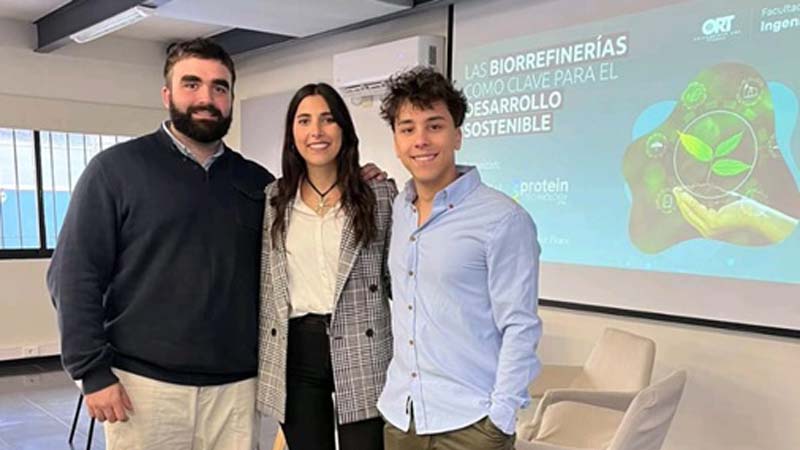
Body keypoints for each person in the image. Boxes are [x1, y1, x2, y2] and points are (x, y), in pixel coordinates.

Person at [47, 38, 384, 450]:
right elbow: (73, 275)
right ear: (167, 94)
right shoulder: (115, 171)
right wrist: (92, 372)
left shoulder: (259, 186)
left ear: (230, 98)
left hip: (237, 390)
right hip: (147, 389)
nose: (206, 98)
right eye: (192, 84)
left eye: (219, 87)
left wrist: (360, 177)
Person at [377, 67, 543, 450]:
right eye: (407, 128)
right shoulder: (398, 209)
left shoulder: (502, 219)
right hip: (402, 418)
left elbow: (520, 326)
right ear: (397, 141)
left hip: (470, 425)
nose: (420, 140)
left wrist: (498, 421)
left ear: (457, 136)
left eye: (434, 126)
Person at [256, 82, 395, 450]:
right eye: (304, 121)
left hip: (361, 343)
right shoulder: (275, 198)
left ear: (344, 130)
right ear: (292, 134)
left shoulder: (378, 194)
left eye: (327, 119)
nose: (316, 132)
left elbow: (395, 278)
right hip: (297, 348)